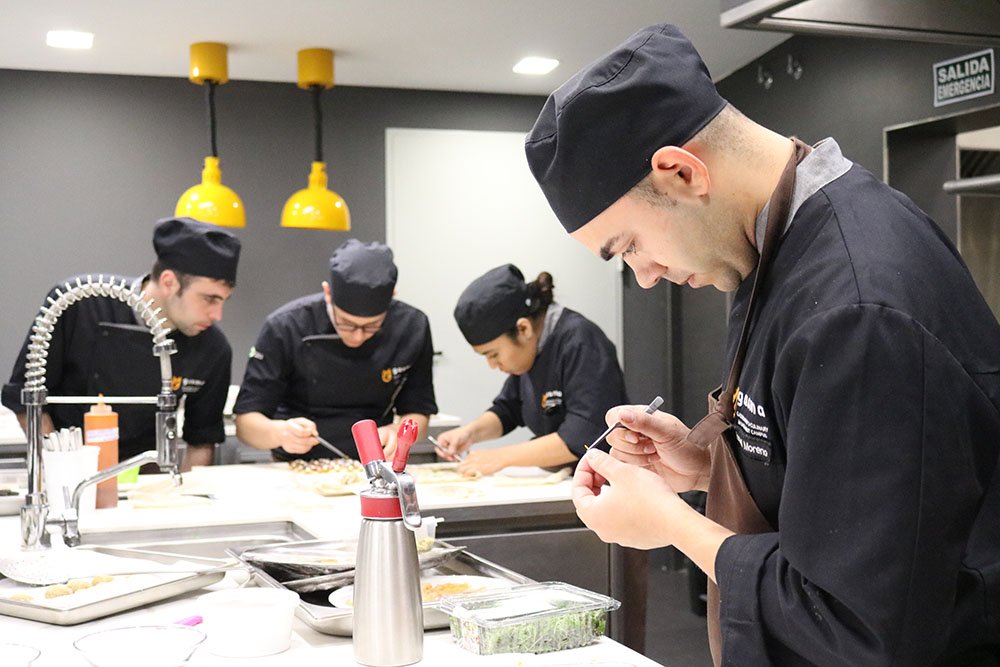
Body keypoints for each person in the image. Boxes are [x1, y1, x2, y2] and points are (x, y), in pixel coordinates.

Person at [524, 23, 1000, 667]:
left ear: (680, 171)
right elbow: (833, 475)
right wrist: (705, 467)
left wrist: (670, 524)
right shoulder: (773, 248)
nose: (644, 275)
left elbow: (858, 619)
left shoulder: (859, 305)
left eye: (630, 245)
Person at [3, 217, 241, 469]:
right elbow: (25, 399)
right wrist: (61, 468)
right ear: (169, 282)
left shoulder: (214, 348)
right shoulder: (80, 303)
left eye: (224, 300)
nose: (217, 315)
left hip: (146, 475)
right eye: (209, 299)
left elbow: (201, 441)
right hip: (71, 467)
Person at [234, 239, 437, 460]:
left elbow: (418, 411)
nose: (358, 336)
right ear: (328, 293)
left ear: (392, 298)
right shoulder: (286, 326)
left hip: (378, 463)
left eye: (372, 326)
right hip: (298, 465)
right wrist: (281, 433)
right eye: (346, 323)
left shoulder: (412, 326)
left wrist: (399, 433)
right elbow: (246, 425)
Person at [434, 264, 628, 477]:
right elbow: (508, 409)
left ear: (523, 329)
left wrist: (499, 458)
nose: (492, 364)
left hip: (606, 481)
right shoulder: (531, 351)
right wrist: (469, 433)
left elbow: (583, 435)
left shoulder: (581, 341)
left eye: (493, 354)